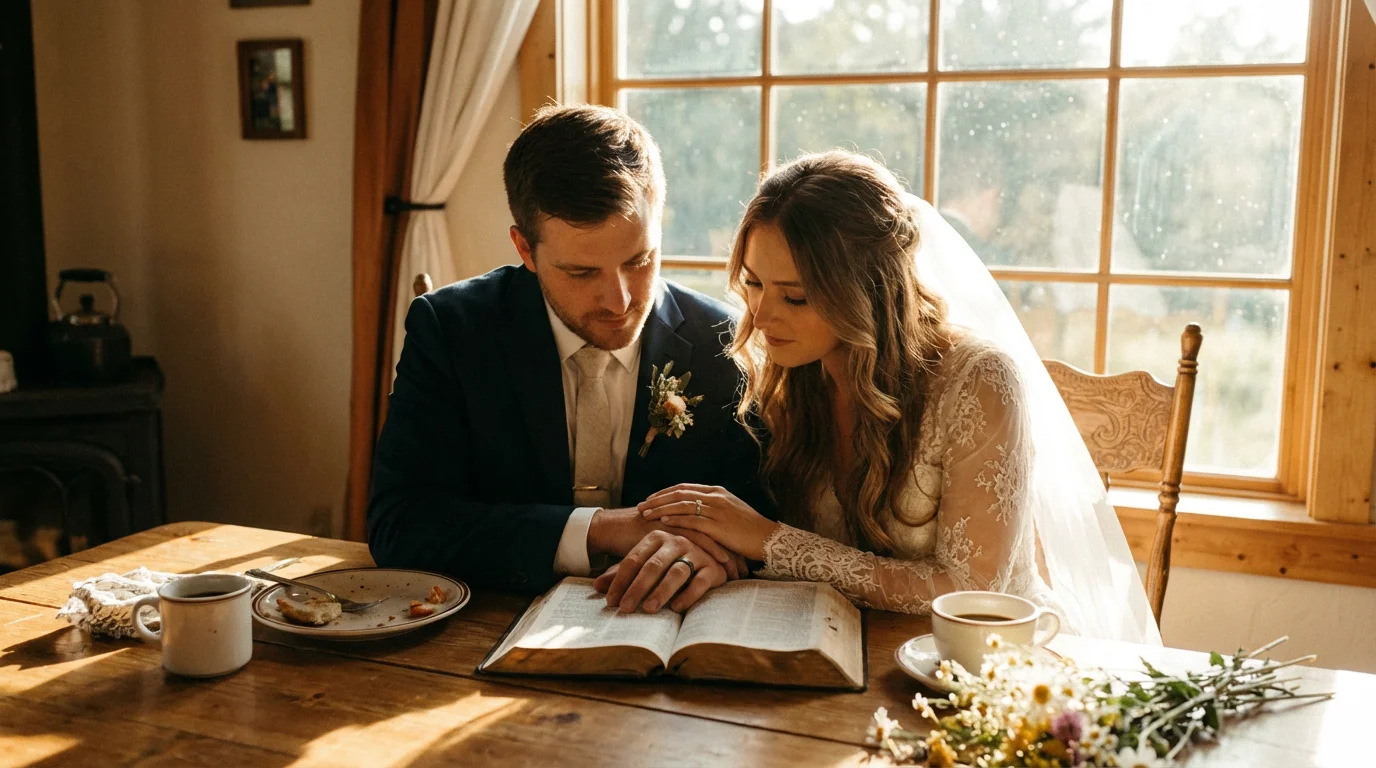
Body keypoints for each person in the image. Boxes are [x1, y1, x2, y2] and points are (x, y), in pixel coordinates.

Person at [628, 151, 1159, 643]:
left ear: (868, 291)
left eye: (795, 296)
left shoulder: (978, 382)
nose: (761, 318)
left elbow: (970, 594)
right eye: (753, 284)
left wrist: (770, 541)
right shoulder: (783, 372)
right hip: (835, 645)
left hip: (979, 663)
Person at [368, 105, 770, 615]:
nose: (620, 301)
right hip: (487, 627)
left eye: (639, 260)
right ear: (525, 249)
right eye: (581, 272)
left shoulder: (723, 343)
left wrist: (719, 555)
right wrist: (604, 530)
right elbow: (400, 523)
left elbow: (763, 516)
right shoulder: (451, 331)